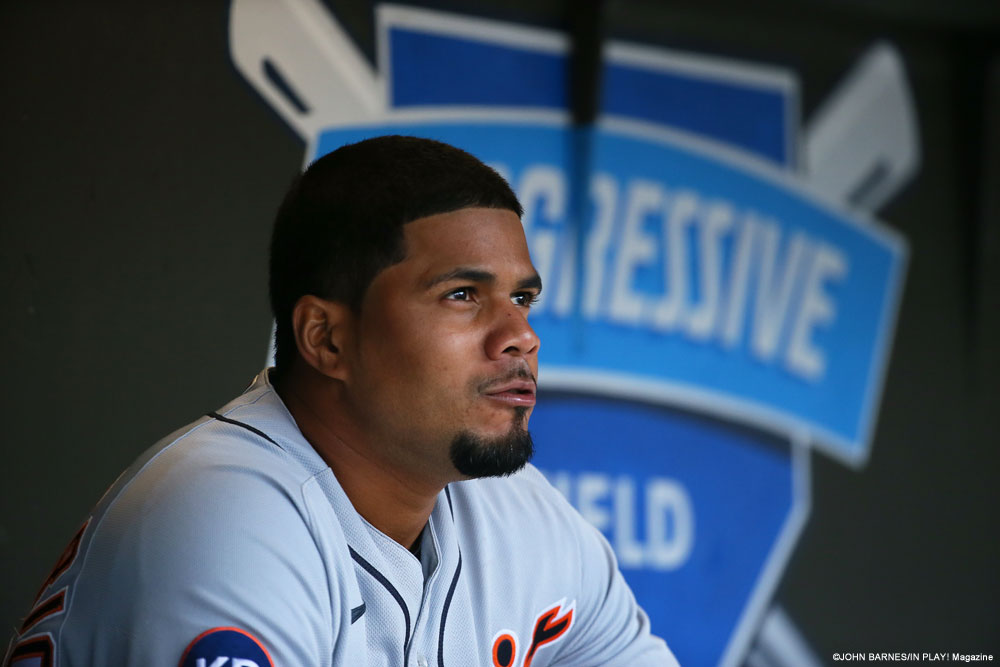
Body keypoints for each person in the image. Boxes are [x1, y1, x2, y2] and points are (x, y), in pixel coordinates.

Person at [5, 136, 677, 666]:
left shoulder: (521, 518)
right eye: (462, 295)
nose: (520, 335)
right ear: (326, 339)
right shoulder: (223, 513)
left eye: (522, 298)